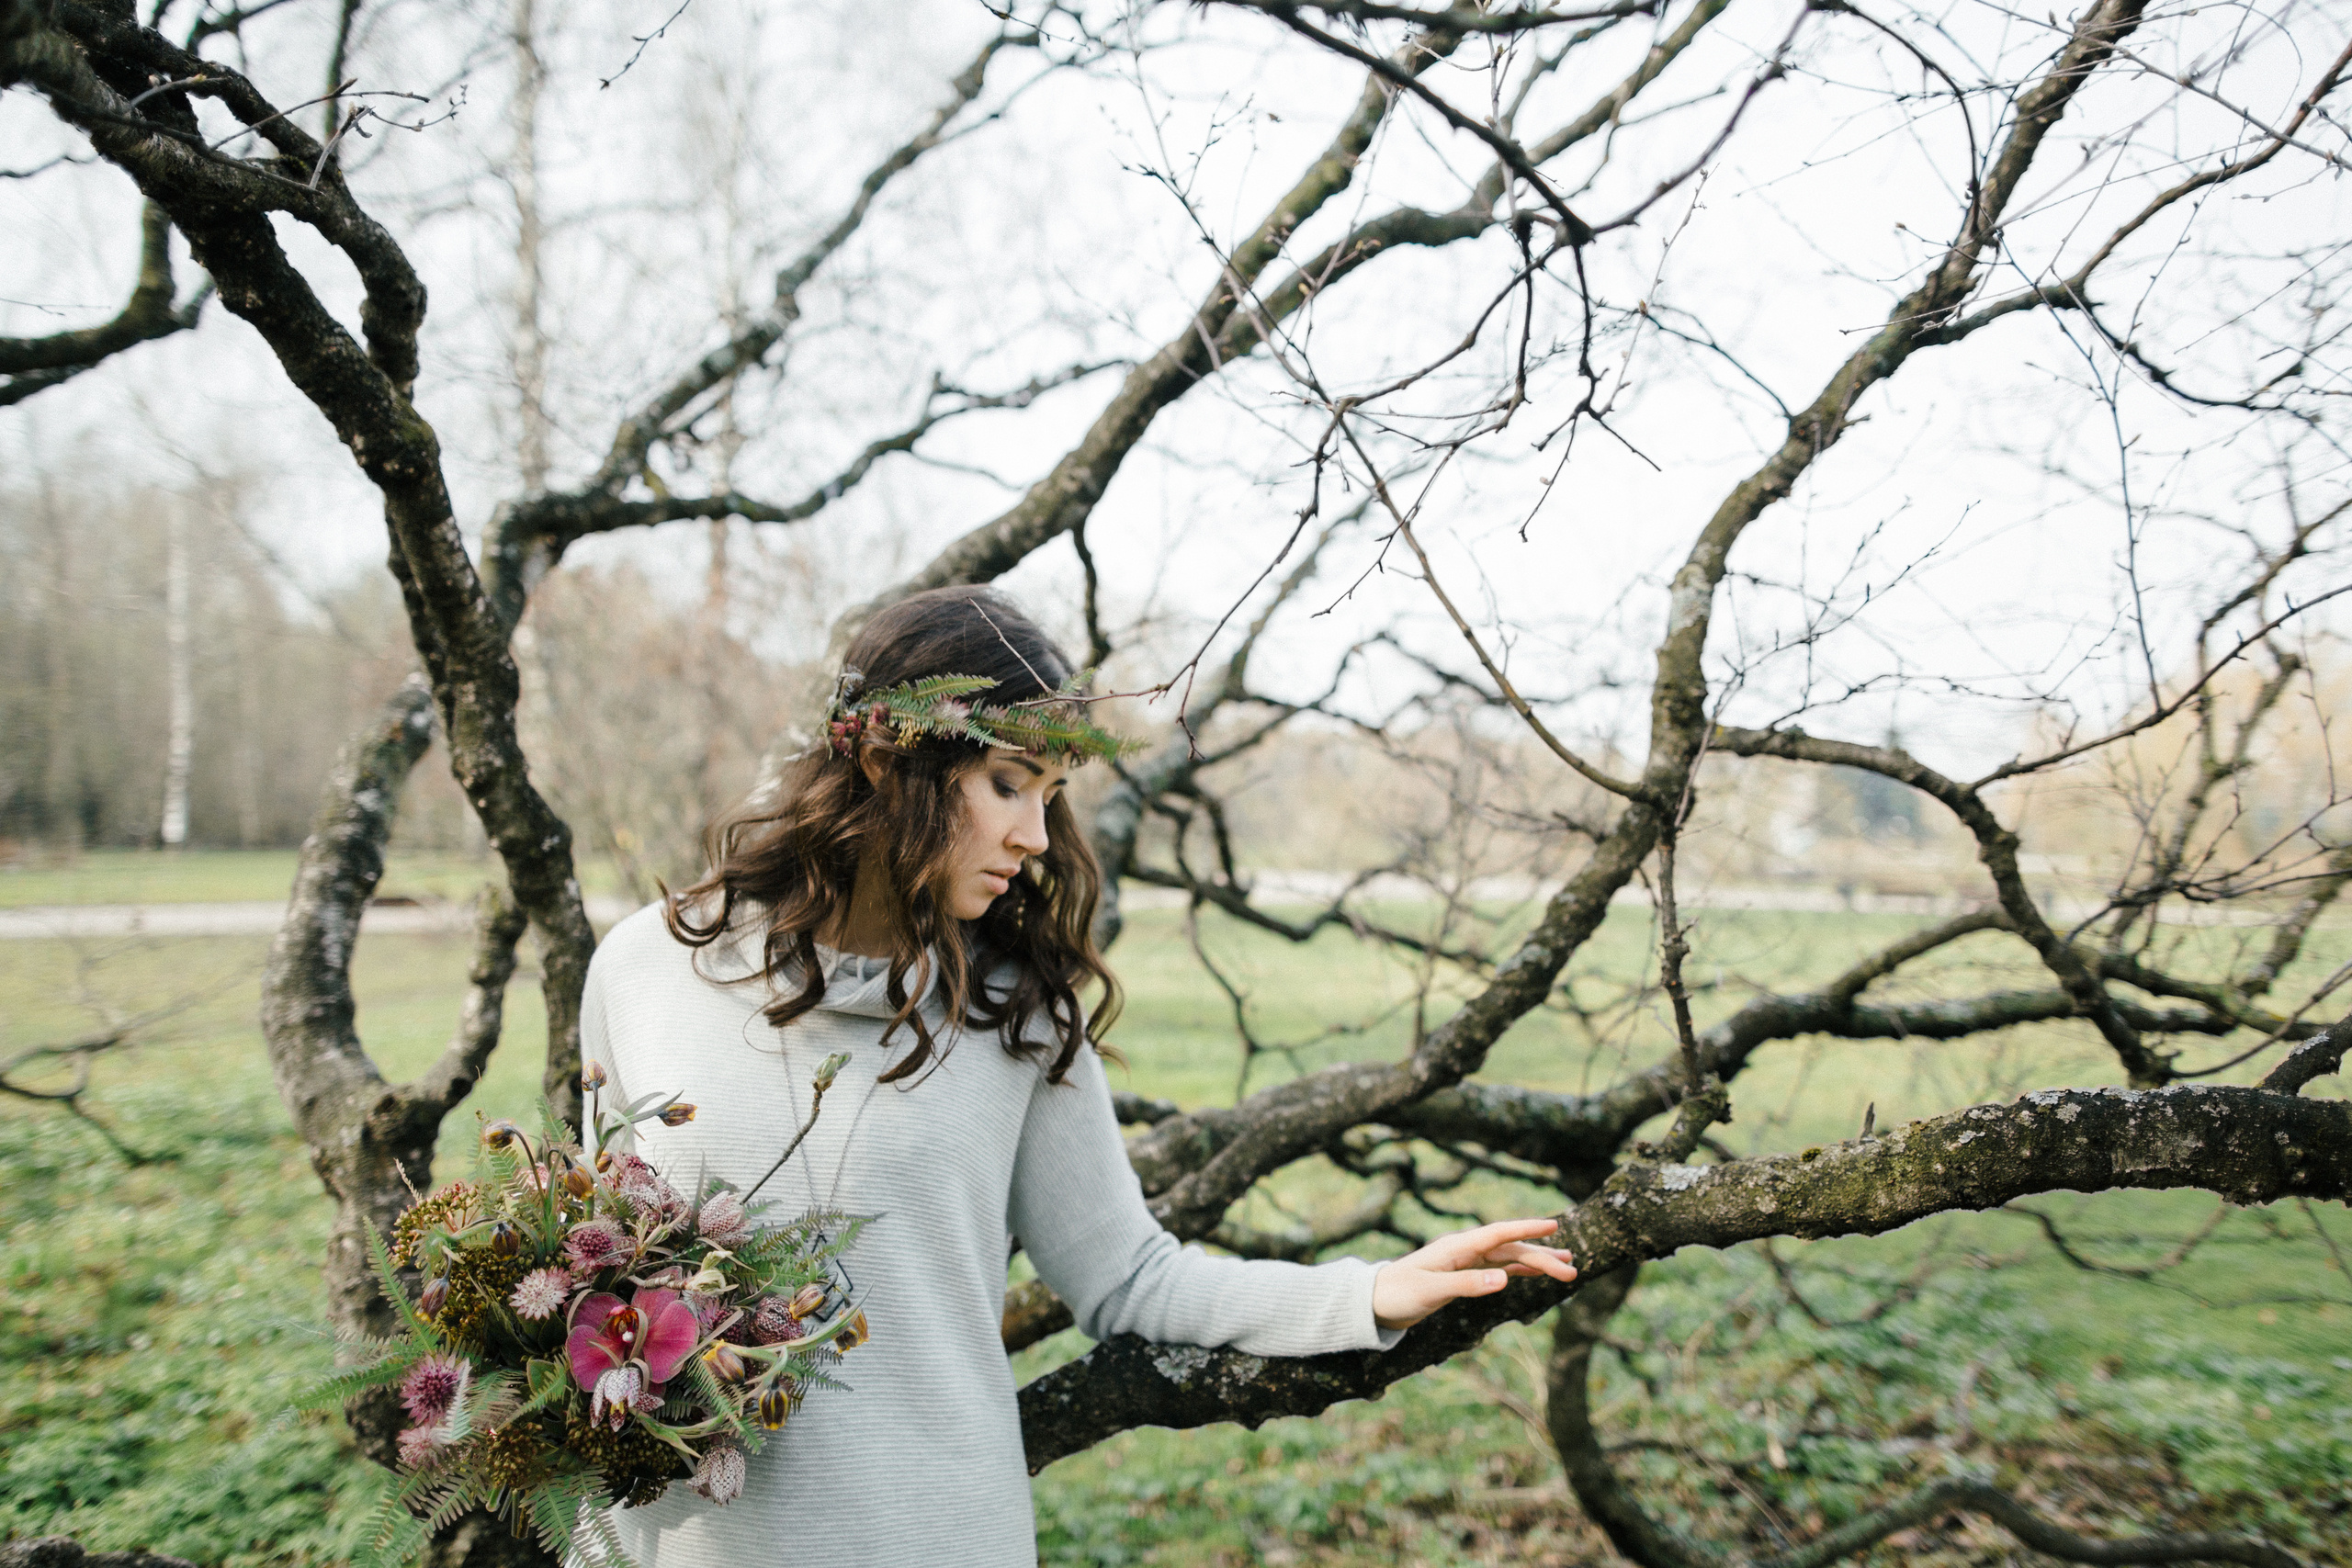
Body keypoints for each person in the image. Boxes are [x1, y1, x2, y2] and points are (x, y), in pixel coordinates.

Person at [579, 585, 1577, 1567]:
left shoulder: (1017, 1014)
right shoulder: (643, 970)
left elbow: (1130, 1276)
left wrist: (1371, 1292)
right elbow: (597, 1271)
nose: (1037, 836)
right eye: (1009, 783)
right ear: (887, 758)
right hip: (673, 1544)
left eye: (1051, 796)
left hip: (937, 1538)